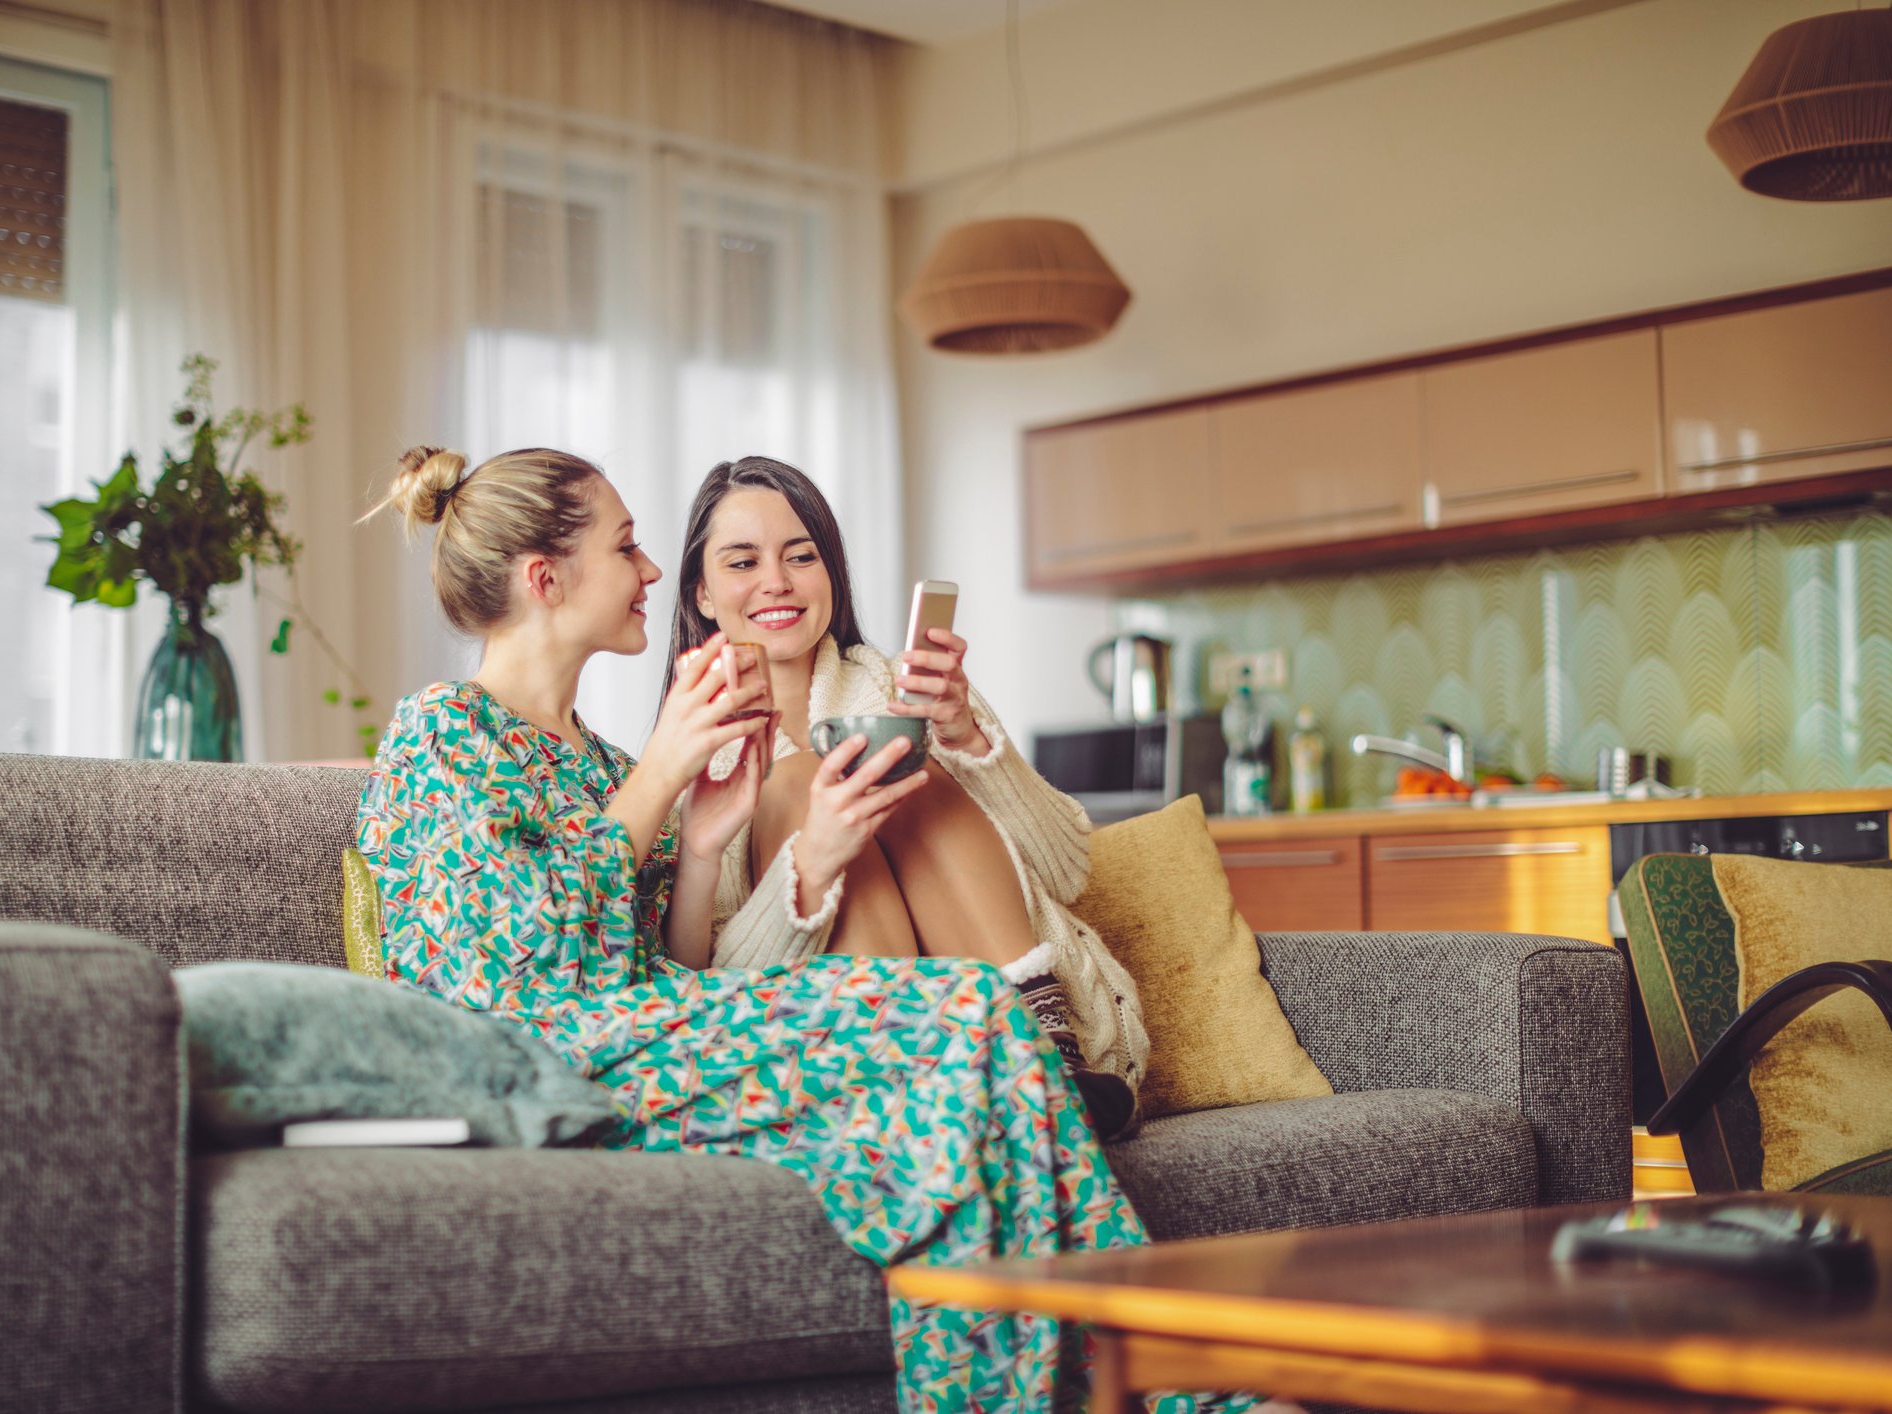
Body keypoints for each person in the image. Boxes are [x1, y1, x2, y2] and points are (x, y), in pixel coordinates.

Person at [352, 444, 1260, 1413]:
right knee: (954, 1020)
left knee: (976, 1018)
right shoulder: (442, 735)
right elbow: (517, 968)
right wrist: (662, 782)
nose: (651, 570)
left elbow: (667, 965)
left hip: (649, 1035)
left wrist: (700, 848)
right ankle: (1188, 1395)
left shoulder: (594, 757)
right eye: (628, 548)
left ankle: (1186, 1388)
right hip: (545, 1062)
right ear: (546, 578)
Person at [661, 455, 1146, 1139]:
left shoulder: (909, 689)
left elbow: (1068, 872)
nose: (775, 581)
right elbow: (699, 993)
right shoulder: (681, 760)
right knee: (807, 783)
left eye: (800, 556)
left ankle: (1046, 1065)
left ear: (831, 572)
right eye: (741, 563)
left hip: (1047, 1043)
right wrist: (813, 865)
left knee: (892, 757)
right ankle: (932, 1069)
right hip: (852, 1054)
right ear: (702, 594)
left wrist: (968, 739)